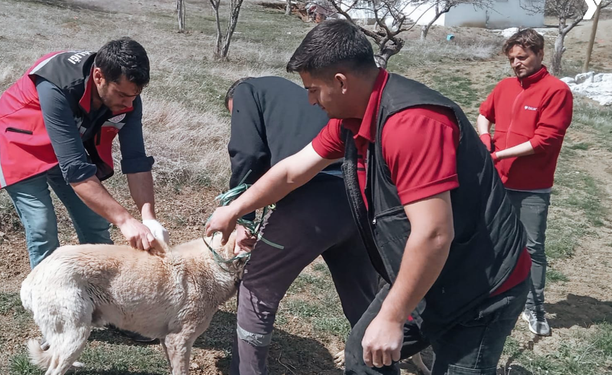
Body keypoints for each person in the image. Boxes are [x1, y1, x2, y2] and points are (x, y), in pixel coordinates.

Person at [206, 20, 532, 375]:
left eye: (313, 89)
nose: (310, 101)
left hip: (481, 285)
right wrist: (235, 208)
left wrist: (392, 316)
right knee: (365, 354)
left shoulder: (411, 124)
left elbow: (434, 234)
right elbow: (291, 171)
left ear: (341, 82)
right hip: (430, 271)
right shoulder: (351, 119)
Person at [224, 76, 378, 374]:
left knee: (256, 287)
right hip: (358, 198)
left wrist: (241, 216)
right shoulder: (296, 100)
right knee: (363, 303)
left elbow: (248, 153)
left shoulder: (246, 91)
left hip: (312, 201)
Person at [0, 37, 169, 270]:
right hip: (18, 137)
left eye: (134, 95)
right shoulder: (57, 84)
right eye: (122, 95)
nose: (128, 103)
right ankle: (50, 300)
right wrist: (125, 221)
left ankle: (104, 293)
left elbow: (136, 160)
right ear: (99, 77)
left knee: (94, 220)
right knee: (42, 226)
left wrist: (148, 217)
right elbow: (76, 171)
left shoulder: (128, 95)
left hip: (64, 140)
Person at [477, 29, 573, 336]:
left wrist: (500, 154)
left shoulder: (556, 91)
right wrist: (484, 139)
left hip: (531, 186)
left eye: (523, 57)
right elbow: (484, 113)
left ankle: (535, 308)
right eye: (512, 59)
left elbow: (545, 140)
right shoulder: (505, 87)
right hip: (498, 181)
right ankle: (494, 296)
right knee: (492, 240)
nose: (516, 64)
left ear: (540, 54)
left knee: (532, 247)